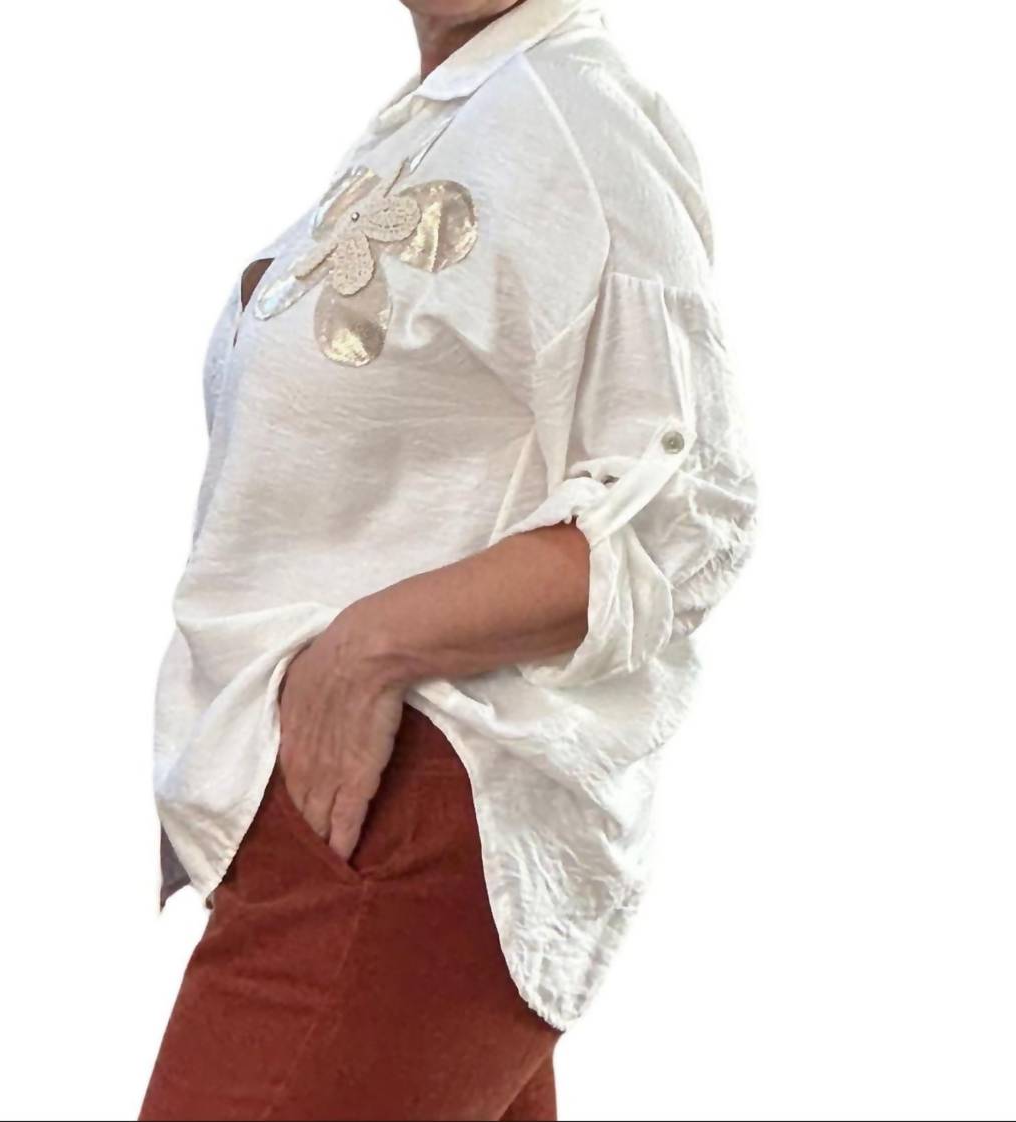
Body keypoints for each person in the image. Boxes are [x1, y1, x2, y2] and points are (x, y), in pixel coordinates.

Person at [139, 1, 757, 1117]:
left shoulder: (574, 119)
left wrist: (367, 650)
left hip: (411, 802)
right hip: (336, 815)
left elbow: (690, 509)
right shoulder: (447, 116)